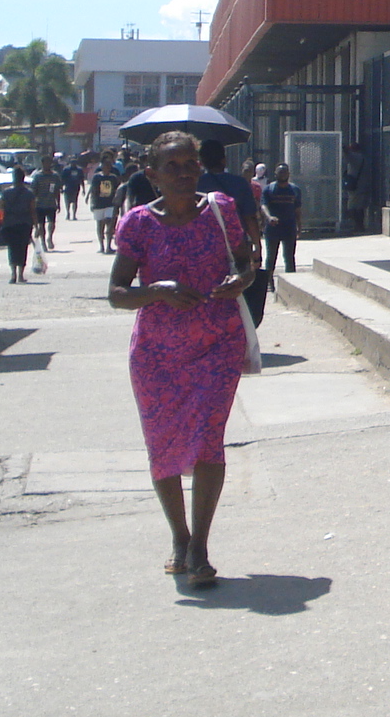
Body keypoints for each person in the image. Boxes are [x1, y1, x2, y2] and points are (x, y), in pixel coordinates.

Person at [108, 131, 257, 591]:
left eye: (191, 164)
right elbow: (117, 294)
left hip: (218, 344)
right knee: (165, 446)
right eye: (173, 166)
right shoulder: (137, 224)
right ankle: (179, 537)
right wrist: (158, 291)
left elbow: (246, 260)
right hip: (156, 355)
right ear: (151, 174)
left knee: (209, 439)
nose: (185, 172)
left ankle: (201, 547)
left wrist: (241, 278)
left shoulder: (220, 210)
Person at [198, 139, 267, 330]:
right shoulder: (239, 184)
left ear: (201, 162)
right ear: (224, 160)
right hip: (236, 246)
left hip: (202, 247)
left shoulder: (195, 184)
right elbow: (250, 218)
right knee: (236, 291)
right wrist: (257, 247)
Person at [262, 164, 302, 280]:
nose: (282, 174)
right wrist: (269, 217)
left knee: (289, 257)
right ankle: (268, 283)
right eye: (280, 172)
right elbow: (263, 206)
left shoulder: (295, 190)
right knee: (271, 258)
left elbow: (298, 210)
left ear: (288, 174)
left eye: (284, 172)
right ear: (275, 174)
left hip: (289, 227)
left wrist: (299, 226)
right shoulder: (269, 189)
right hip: (273, 228)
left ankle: (291, 282)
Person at [0, 166, 36, 283]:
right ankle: (20, 274)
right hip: (24, 224)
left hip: (9, 224)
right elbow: (32, 210)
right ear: (23, 178)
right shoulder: (29, 193)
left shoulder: (6, 192)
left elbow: (1, 208)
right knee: (22, 248)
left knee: (12, 248)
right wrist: (37, 226)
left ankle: (13, 274)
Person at [89, 150, 124, 254]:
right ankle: (101, 246)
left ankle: (108, 245)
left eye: (109, 165)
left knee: (109, 223)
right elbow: (93, 190)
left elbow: (117, 190)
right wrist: (92, 202)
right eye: (106, 165)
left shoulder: (113, 177)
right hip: (99, 204)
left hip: (110, 204)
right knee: (100, 225)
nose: (107, 167)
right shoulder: (97, 177)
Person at [30, 156, 62, 251]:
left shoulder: (55, 176)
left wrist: (58, 203)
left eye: (49, 163)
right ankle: (43, 242)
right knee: (41, 225)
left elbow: (57, 190)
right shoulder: (38, 176)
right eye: (46, 163)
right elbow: (33, 190)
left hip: (51, 203)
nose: (48, 165)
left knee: (52, 223)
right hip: (40, 204)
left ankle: (50, 238)